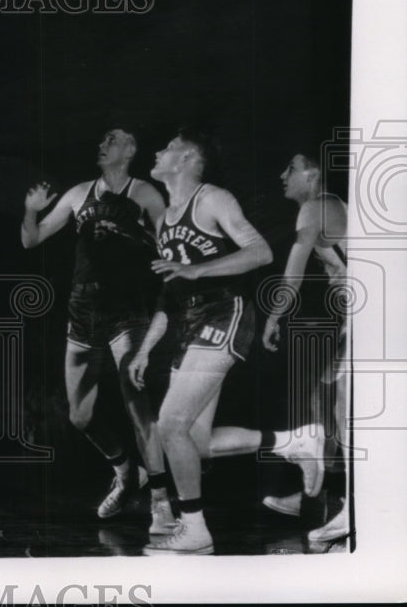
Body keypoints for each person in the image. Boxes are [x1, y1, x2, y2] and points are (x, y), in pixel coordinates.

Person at [127, 129, 285, 555]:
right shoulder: (164, 219)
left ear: (188, 159)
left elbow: (260, 251)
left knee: (170, 423)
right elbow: (168, 291)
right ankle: (291, 442)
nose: (157, 151)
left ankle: (194, 529)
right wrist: (145, 348)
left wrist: (198, 271)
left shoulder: (213, 198)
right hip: (189, 322)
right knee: (192, 443)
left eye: (167, 147)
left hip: (225, 313)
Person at [22, 127, 175, 533]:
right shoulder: (78, 194)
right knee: (80, 416)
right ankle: (128, 474)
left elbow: (169, 250)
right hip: (83, 309)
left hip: (126, 309)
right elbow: (31, 239)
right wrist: (30, 209)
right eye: (101, 139)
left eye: (112, 140)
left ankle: (161, 501)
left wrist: (133, 235)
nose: (101, 144)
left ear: (130, 150)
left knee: (138, 408)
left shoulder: (144, 194)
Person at [260, 152, 351, 545]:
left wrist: (273, 316)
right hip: (362, 314)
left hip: (380, 312)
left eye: (291, 168)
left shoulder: (316, 206)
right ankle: (319, 496)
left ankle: (349, 509)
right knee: (325, 402)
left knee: (344, 411)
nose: (282, 174)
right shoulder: (328, 208)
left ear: (312, 174)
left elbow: (293, 272)